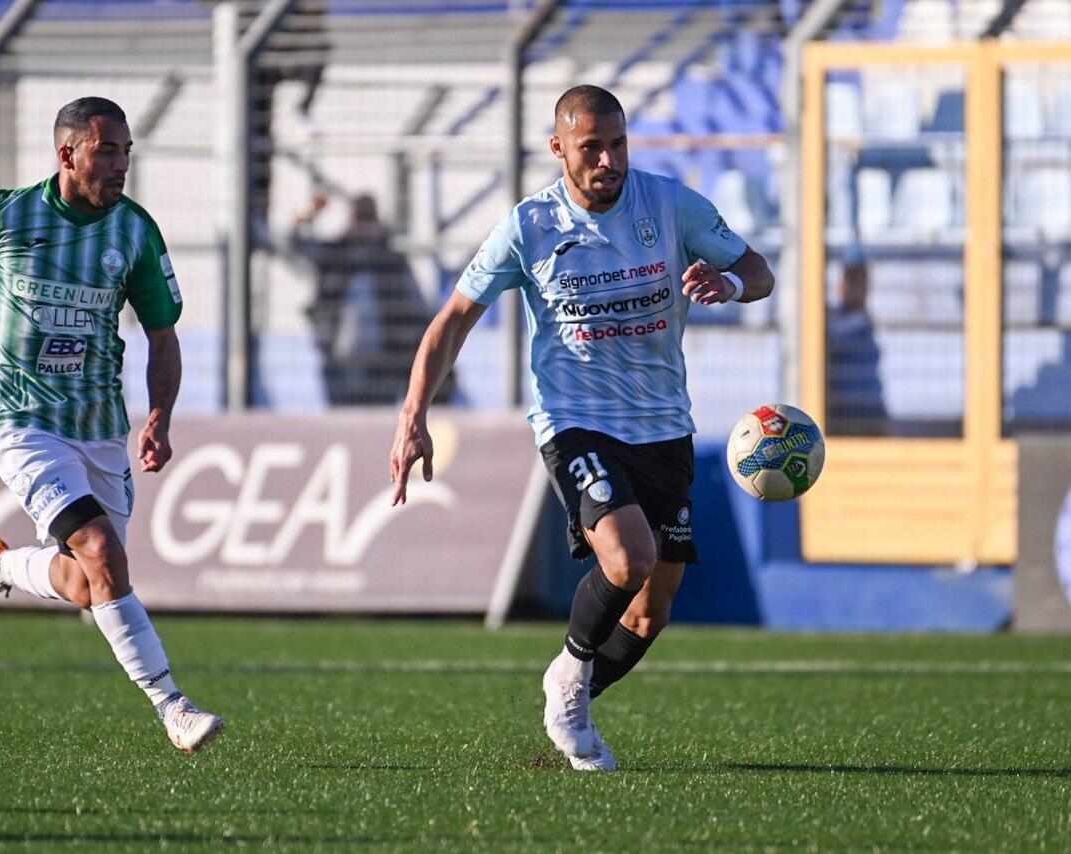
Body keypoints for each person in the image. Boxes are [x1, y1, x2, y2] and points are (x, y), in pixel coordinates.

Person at [389, 85, 774, 771]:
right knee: (627, 559)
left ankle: (574, 694)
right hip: (575, 423)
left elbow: (757, 269)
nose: (607, 160)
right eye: (590, 147)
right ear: (559, 149)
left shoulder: (669, 205)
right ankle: (569, 672)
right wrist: (413, 414)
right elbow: (452, 320)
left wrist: (731, 286)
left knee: (650, 611)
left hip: (664, 426)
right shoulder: (529, 226)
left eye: (617, 144)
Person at [0, 96, 224, 754]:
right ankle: (173, 707)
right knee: (101, 550)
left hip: (99, 426)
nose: (121, 165)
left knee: (85, 583)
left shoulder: (135, 231)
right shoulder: (4, 216)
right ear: (68, 154)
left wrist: (159, 416)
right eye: (107, 151)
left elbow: (163, 335)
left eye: (127, 152)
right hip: (22, 424)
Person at [291, 192, 449, 405]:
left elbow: (417, 308)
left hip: (384, 362)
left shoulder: (391, 259)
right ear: (350, 220)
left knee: (378, 418)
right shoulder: (335, 254)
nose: (363, 226)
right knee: (344, 417)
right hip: (339, 361)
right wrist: (308, 212)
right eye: (360, 218)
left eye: (368, 218)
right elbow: (294, 241)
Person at [826, 249, 887, 435]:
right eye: (857, 283)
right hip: (842, 415)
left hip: (871, 414)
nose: (863, 290)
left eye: (865, 284)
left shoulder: (864, 322)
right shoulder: (836, 322)